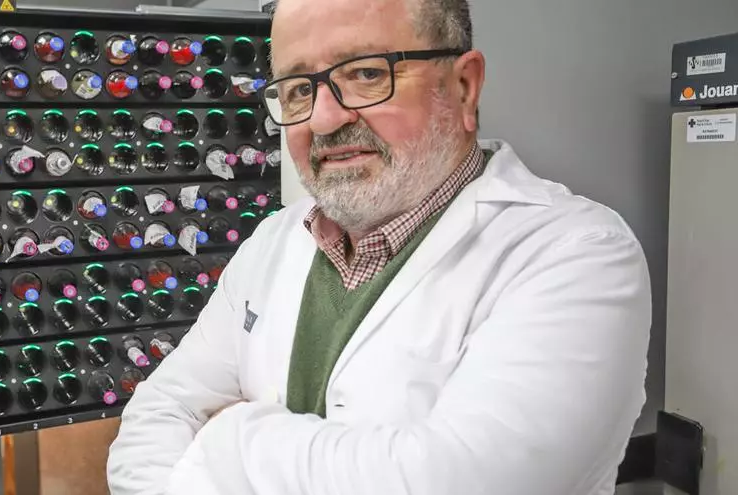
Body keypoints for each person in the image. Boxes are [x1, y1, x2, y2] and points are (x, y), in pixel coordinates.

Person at [107, 0, 652, 493]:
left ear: (464, 86)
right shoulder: (273, 241)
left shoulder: (578, 254)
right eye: (298, 89)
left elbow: (467, 482)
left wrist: (231, 440)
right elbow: (158, 412)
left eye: (367, 73)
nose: (324, 118)